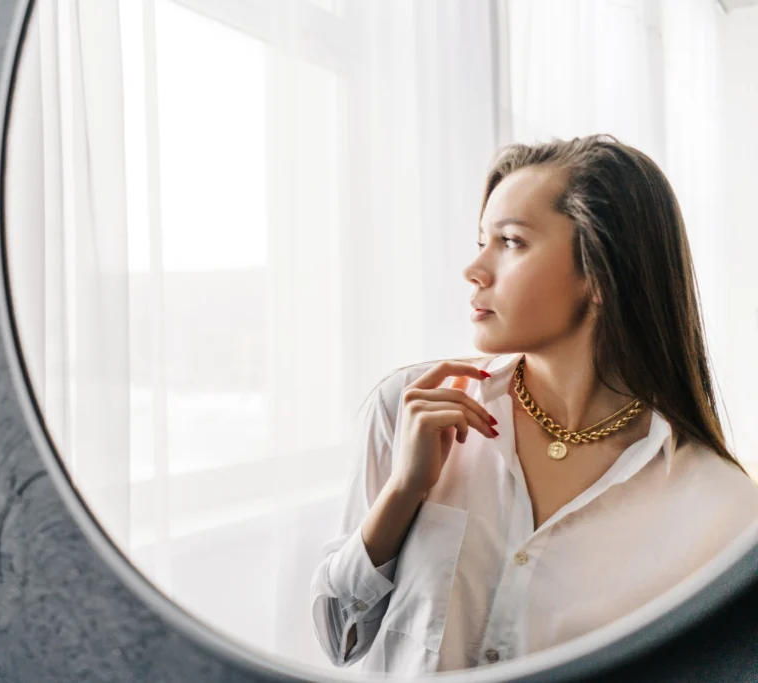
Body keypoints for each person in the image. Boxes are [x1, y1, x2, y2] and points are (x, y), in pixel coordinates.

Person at [309, 134, 758, 675]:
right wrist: (403, 492)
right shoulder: (410, 410)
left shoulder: (722, 509)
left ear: (599, 274)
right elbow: (337, 638)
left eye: (511, 242)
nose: (474, 269)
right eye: (482, 240)